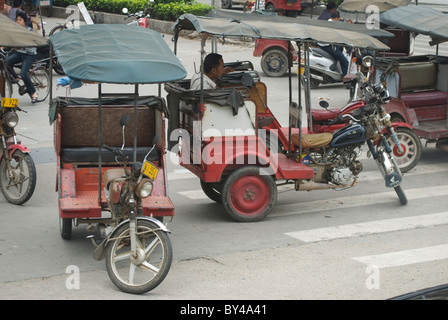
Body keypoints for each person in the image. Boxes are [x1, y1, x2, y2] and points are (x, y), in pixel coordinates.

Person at [7, 10, 39, 103]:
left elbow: (26, 43)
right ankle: (16, 78)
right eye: (17, 20)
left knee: (24, 74)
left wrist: (19, 45)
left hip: (29, 54)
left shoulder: (29, 30)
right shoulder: (16, 30)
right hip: (20, 53)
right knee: (7, 62)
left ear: (24, 22)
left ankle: (33, 93)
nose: (18, 22)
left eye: (20, 20)